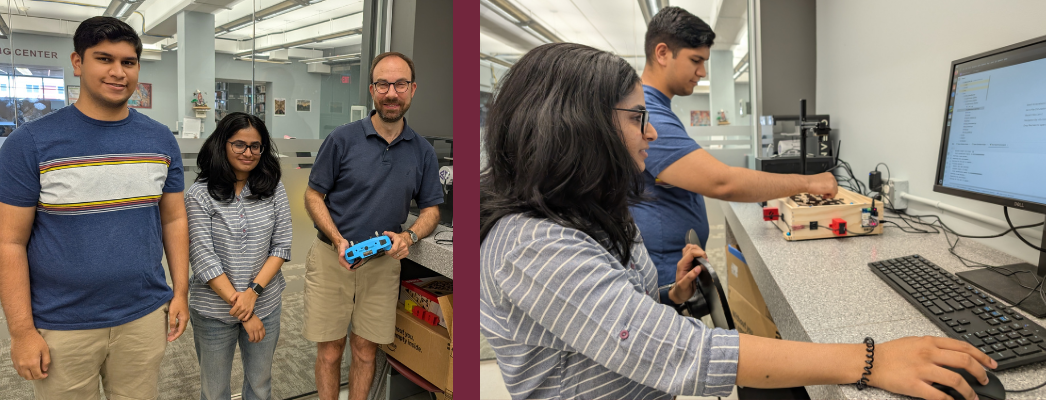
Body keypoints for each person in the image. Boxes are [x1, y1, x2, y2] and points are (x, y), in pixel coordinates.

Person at [479, 42, 996, 400]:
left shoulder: (594, 212)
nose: (651, 136)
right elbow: (683, 353)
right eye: (637, 119)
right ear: (578, 127)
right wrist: (870, 360)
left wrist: (665, 298)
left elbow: (600, 321)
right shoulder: (533, 244)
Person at [0, 16, 189, 399]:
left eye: (129, 62)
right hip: (62, 323)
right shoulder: (31, 142)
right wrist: (21, 332)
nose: (118, 72)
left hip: (143, 314)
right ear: (77, 62)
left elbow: (174, 218)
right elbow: (9, 243)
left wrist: (180, 292)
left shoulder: (159, 139)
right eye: (104, 59)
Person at [631, 7, 840, 291]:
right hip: (663, 275)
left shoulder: (660, 109)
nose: (702, 72)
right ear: (663, 53)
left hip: (673, 268)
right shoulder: (649, 113)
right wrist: (810, 183)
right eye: (696, 60)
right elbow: (723, 182)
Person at [303, 51, 443, 400]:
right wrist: (337, 240)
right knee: (331, 350)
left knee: (366, 351)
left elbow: (431, 211)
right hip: (331, 257)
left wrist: (409, 236)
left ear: (412, 90)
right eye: (383, 84)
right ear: (371, 89)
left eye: (399, 84)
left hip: (382, 265)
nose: (391, 93)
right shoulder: (342, 139)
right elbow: (313, 196)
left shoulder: (423, 151)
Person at [185, 112, 292, 400]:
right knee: (215, 390)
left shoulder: (274, 188)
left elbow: (281, 246)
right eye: (239, 145)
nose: (248, 152)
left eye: (255, 146)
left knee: (260, 386)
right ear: (222, 144)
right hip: (213, 312)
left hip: (265, 304)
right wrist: (244, 310)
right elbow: (204, 260)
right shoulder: (199, 194)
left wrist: (253, 295)